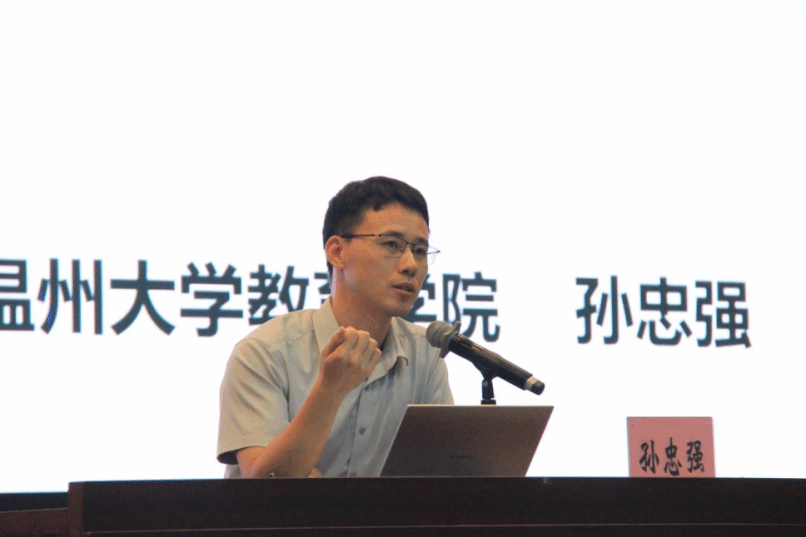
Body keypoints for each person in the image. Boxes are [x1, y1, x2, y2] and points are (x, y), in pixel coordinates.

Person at [217, 176, 453, 478]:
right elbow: (265, 486)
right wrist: (330, 389)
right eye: (392, 244)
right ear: (337, 252)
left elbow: (442, 474)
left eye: (420, 250)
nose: (410, 265)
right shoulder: (263, 353)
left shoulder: (426, 354)